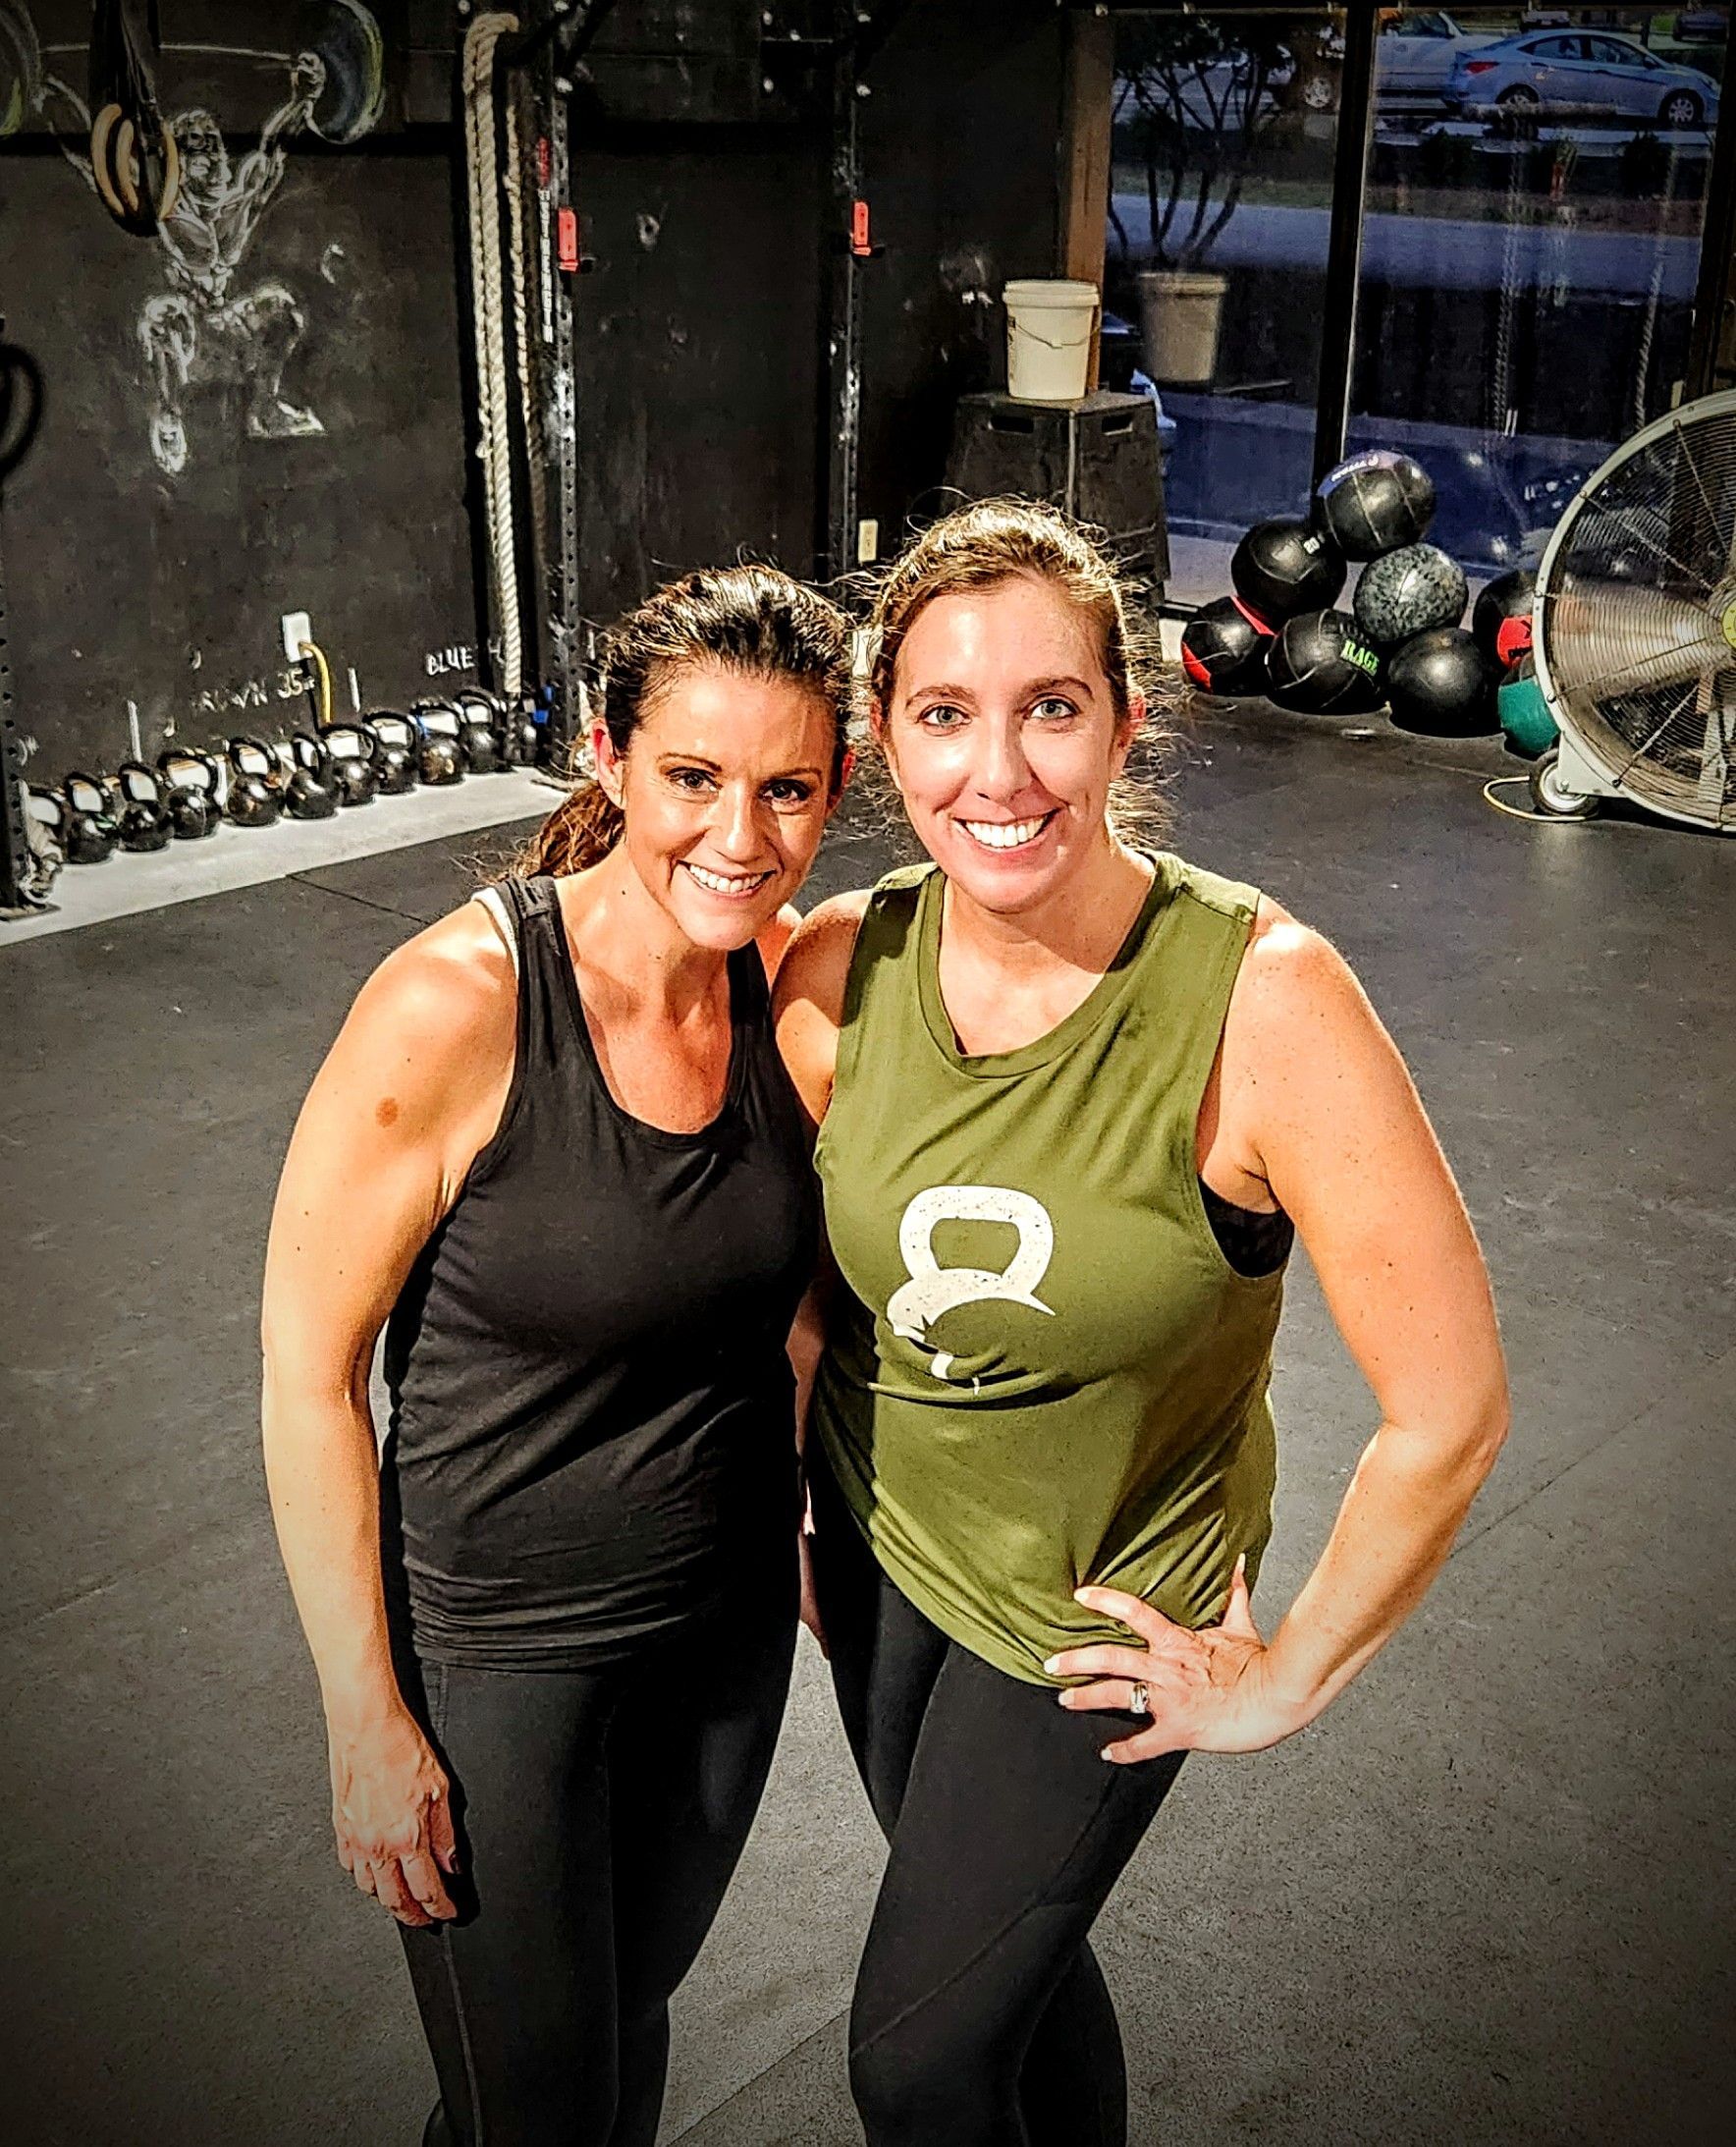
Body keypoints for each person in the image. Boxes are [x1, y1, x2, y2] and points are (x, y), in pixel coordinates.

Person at [774, 499, 1509, 2147]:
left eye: (1051, 707)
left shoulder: (1264, 997)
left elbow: (1450, 1404)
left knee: (918, 2065)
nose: (1001, 773)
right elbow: (797, 1272)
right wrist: (788, 1485)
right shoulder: (841, 966)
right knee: (1012, 1992)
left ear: (1130, 709)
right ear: (885, 738)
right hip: (886, 1566)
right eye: (946, 715)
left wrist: (1283, 1677)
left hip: (1102, 1615)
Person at [261, 565, 852, 2147]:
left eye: (786, 788)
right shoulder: (455, 1004)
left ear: (835, 787)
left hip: (721, 1638)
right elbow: (308, 1375)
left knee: (618, 2041)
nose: (739, 834)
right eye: (693, 779)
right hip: (496, 1660)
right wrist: (363, 1720)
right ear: (606, 757)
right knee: (537, 2112)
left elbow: (793, 1298)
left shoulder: (783, 987)